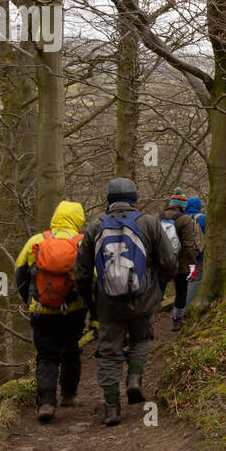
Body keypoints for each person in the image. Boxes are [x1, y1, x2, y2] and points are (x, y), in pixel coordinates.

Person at [74, 178, 177, 426]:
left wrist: (91, 302)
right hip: (143, 298)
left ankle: (111, 408)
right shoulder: (149, 223)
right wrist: (158, 288)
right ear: (134, 198)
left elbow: (81, 272)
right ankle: (134, 379)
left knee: (109, 353)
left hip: (108, 302)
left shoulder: (94, 227)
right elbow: (169, 262)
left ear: (109, 200)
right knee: (141, 339)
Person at [14, 201, 88, 423]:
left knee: (46, 355)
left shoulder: (37, 241)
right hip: (73, 310)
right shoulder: (82, 242)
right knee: (71, 350)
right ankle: (68, 394)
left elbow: (20, 275)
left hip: (42, 310)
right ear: (79, 220)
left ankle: (46, 402)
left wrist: (30, 300)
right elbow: (91, 278)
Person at [160, 193, 202, 331]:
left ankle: (147, 322)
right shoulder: (184, 220)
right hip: (181, 263)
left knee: (157, 291)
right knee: (181, 290)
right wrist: (192, 265)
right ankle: (177, 320)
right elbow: (189, 245)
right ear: (183, 205)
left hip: (161, 262)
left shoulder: (157, 217)